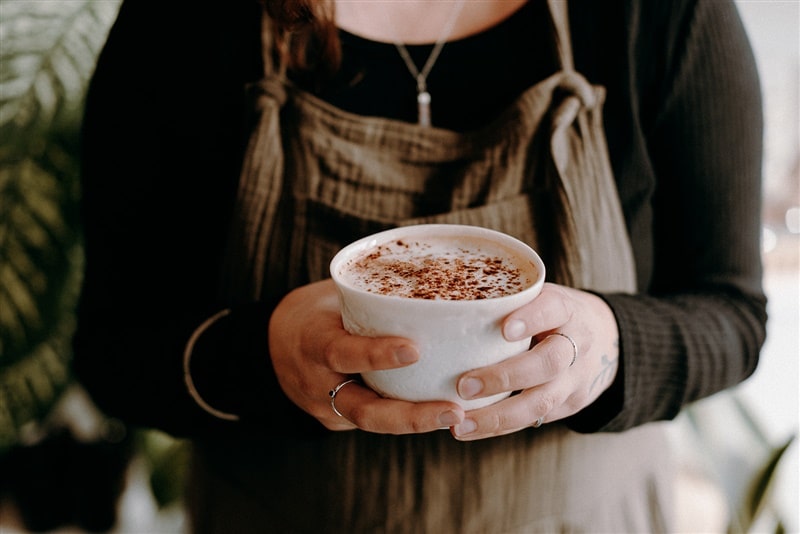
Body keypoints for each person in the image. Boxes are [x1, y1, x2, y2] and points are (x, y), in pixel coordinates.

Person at [73, 0, 767, 532]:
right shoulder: (184, 19)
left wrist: (611, 346)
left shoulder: (661, 13)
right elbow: (113, 349)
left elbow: (732, 315)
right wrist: (261, 356)